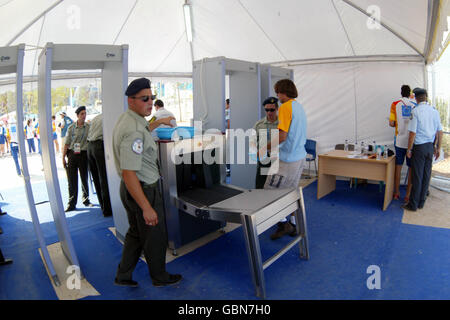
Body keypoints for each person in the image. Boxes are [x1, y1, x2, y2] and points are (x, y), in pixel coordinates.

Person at [112, 77, 181, 287]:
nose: (150, 102)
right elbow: (129, 172)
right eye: (144, 99)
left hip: (131, 189)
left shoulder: (131, 119)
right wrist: (146, 207)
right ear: (130, 100)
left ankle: (123, 275)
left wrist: (158, 122)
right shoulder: (133, 129)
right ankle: (159, 277)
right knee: (154, 236)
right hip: (142, 189)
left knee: (135, 233)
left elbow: (144, 131)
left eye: (152, 97)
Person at [258, 79, 307, 240]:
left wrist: (265, 148)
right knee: (289, 192)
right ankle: (292, 224)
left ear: (282, 92)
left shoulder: (286, 108)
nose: (277, 95)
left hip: (287, 159)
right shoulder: (298, 107)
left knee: (270, 192)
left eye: (277, 91)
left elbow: (282, 135)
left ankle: (283, 223)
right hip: (299, 157)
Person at [402, 88, 443, 212]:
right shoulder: (434, 111)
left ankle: (413, 205)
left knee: (417, 176)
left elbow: (412, 133)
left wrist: (409, 149)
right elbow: (440, 132)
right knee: (426, 175)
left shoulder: (416, 112)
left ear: (416, 98)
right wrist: (438, 148)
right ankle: (421, 202)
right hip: (430, 147)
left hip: (419, 148)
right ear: (426, 97)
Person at [62, 106, 93, 212]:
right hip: (72, 155)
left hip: (83, 154)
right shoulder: (71, 128)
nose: (84, 116)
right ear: (77, 116)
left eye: (85, 113)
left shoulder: (89, 127)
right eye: (82, 114)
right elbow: (66, 143)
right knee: (72, 179)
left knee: (84, 178)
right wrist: (63, 157)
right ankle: (71, 203)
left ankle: (86, 200)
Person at [389, 85, 416, 202]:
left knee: (398, 167)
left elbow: (391, 123)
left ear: (401, 93)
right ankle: (408, 195)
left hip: (399, 140)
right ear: (410, 93)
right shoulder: (415, 105)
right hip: (411, 142)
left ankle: (396, 192)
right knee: (411, 168)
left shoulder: (395, 104)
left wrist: (397, 123)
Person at [87, 114, 112, 217]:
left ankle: (103, 206)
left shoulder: (96, 117)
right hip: (99, 146)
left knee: (96, 178)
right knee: (103, 177)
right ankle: (107, 209)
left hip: (90, 147)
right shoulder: (109, 116)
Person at [253, 97, 279, 189]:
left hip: (279, 159)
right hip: (264, 159)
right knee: (260, 185)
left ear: (277, 109)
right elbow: (253, 142)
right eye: (267, 110)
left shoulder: (282, 124)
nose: (269, 113)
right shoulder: (259, 125)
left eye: (272, 110)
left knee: (277, 186)